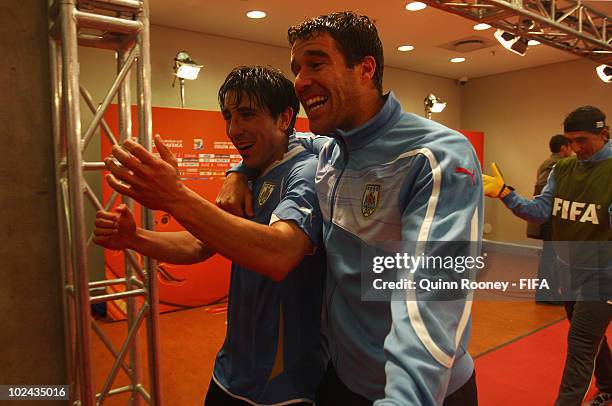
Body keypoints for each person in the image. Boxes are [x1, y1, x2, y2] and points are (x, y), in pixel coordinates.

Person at [220, 11, 483, 406]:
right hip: (341, 378)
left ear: (365, 68)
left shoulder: (436, 155)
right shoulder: (330, 149)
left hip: (418, 391)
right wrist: (237, 170)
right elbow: (279, 143)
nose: (300, 81)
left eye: (316, 63)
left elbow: (432, 302)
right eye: (297, 68)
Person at [95, 66, 327, 405]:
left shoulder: (307, 171)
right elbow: (199, 245)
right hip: (231, 371)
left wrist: (175, 196)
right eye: (228, 116)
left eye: (247, 115)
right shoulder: (252, 170)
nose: (234, 130)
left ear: (284, 118)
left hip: (284, 385)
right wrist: (134, 238)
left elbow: (280, 254)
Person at [482, 105, 611, 406]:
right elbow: (540, 212)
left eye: (582, 140)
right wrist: (505, 193)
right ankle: (608, 382)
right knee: (592, 339)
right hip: (569, 270)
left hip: (603, 273)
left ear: (603, 134)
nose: (575, 148)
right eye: (571, 140)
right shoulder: (562, 168)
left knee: (580, 345)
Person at [526, 134, 571, 304]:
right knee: (550, 258)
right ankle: (546, 295)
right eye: (570, 146)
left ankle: (548, 293)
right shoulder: (555, 166)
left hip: (548, 219)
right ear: (563, 148)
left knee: (551, 257)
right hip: (549, 220)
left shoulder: (549, 163)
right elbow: (543, 193)